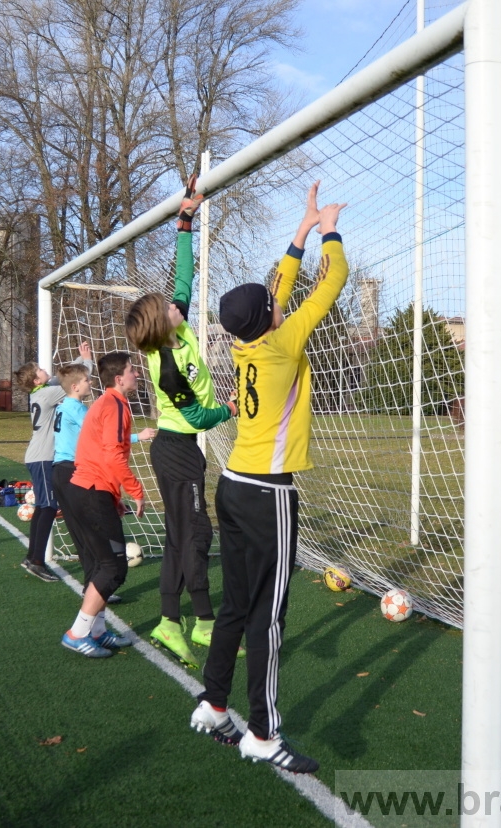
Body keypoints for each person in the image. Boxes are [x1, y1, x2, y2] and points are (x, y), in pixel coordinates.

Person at [188, 182, 347, 773]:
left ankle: (213, 701)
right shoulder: (283, 343)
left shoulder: (244, 344)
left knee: (235, 603)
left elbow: (274, 292)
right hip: (267, 492)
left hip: (231, 484)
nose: (278, 302)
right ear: (268, 318)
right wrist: (329, 229)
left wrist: (299, 233)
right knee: (269, 616)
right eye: (273, 303)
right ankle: (262, 731)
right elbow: (330, 285)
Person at [125, 175, 238, 667]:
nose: (173, 302)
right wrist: (228, 410)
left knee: (181, 535)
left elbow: (186, 276)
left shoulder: (179, 327)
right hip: (176, 449)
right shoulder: (165, 364)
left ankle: (170, 622)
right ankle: (205, 621)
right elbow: (195, 413)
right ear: (158, 323)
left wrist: (186, 220)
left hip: (182, 449)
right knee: (197, 533)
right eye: (164, 306)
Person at [59, 351, 149, 658]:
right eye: (132, 369)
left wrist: (114, 496)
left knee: (101, 564)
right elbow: (112, 455)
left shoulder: (108, 403)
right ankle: (77, 633)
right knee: (113, 568)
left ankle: (96, 631)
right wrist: (136, 490)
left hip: (89, 490)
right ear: (119, 378)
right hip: (89, 491)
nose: (137, 374)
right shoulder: (113, 404)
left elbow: (98, 453)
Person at [14, 343, 94, 582]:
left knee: (44, 507)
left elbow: (64, 377)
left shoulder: (41, 391)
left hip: (40, 456)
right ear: (37, 380)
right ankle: (36, 560)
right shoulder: (48, 393)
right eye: (39, 369)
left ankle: (32, 557)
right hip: (42, 458)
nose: (43, 369)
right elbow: (73, 383)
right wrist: (87, 361)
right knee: (48, 507)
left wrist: (80, 356)